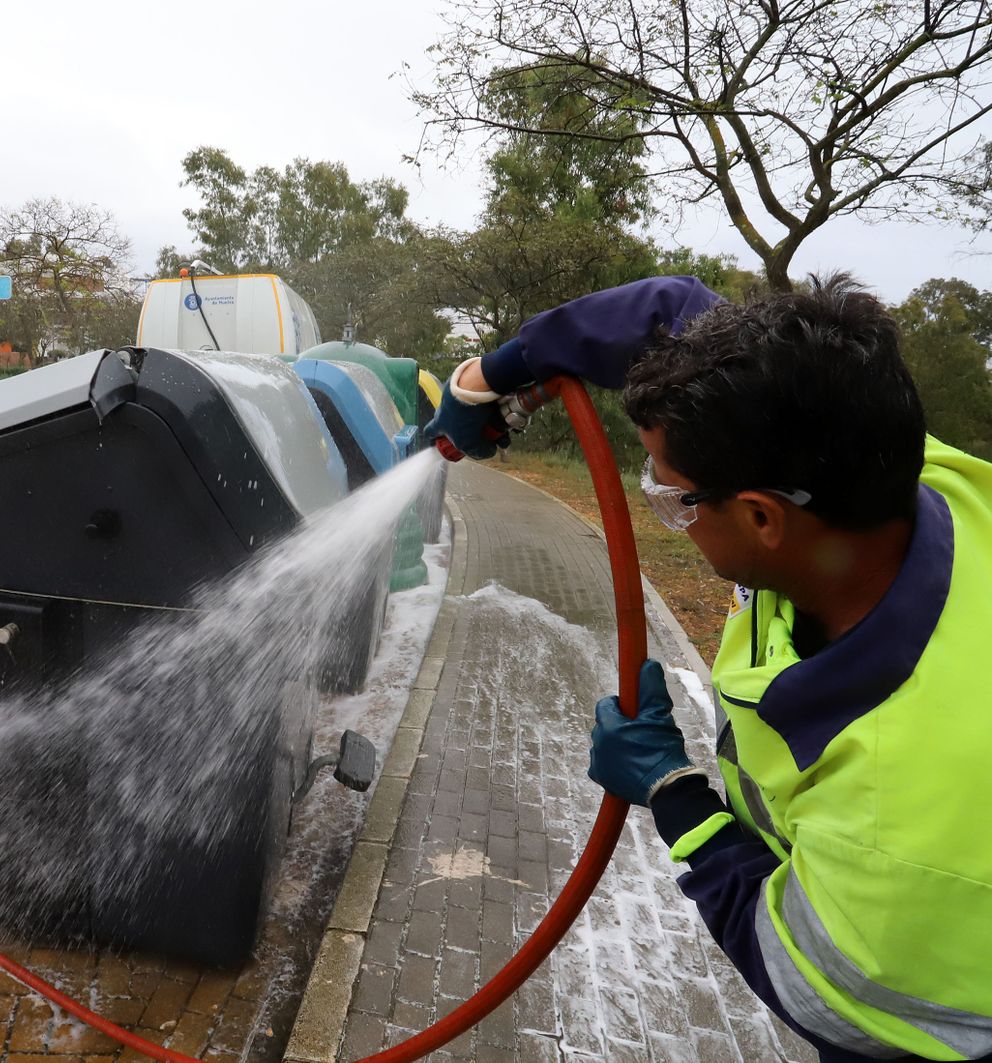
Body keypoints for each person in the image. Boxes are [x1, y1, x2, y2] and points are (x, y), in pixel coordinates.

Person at [425, 275, 992, 1062]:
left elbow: (797, 970)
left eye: (673, 498)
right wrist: (488, 377)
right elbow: (668, 309)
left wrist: (672, 788)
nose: (666, 508)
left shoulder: (895, 820)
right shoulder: (877, 458)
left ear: (762, 516)